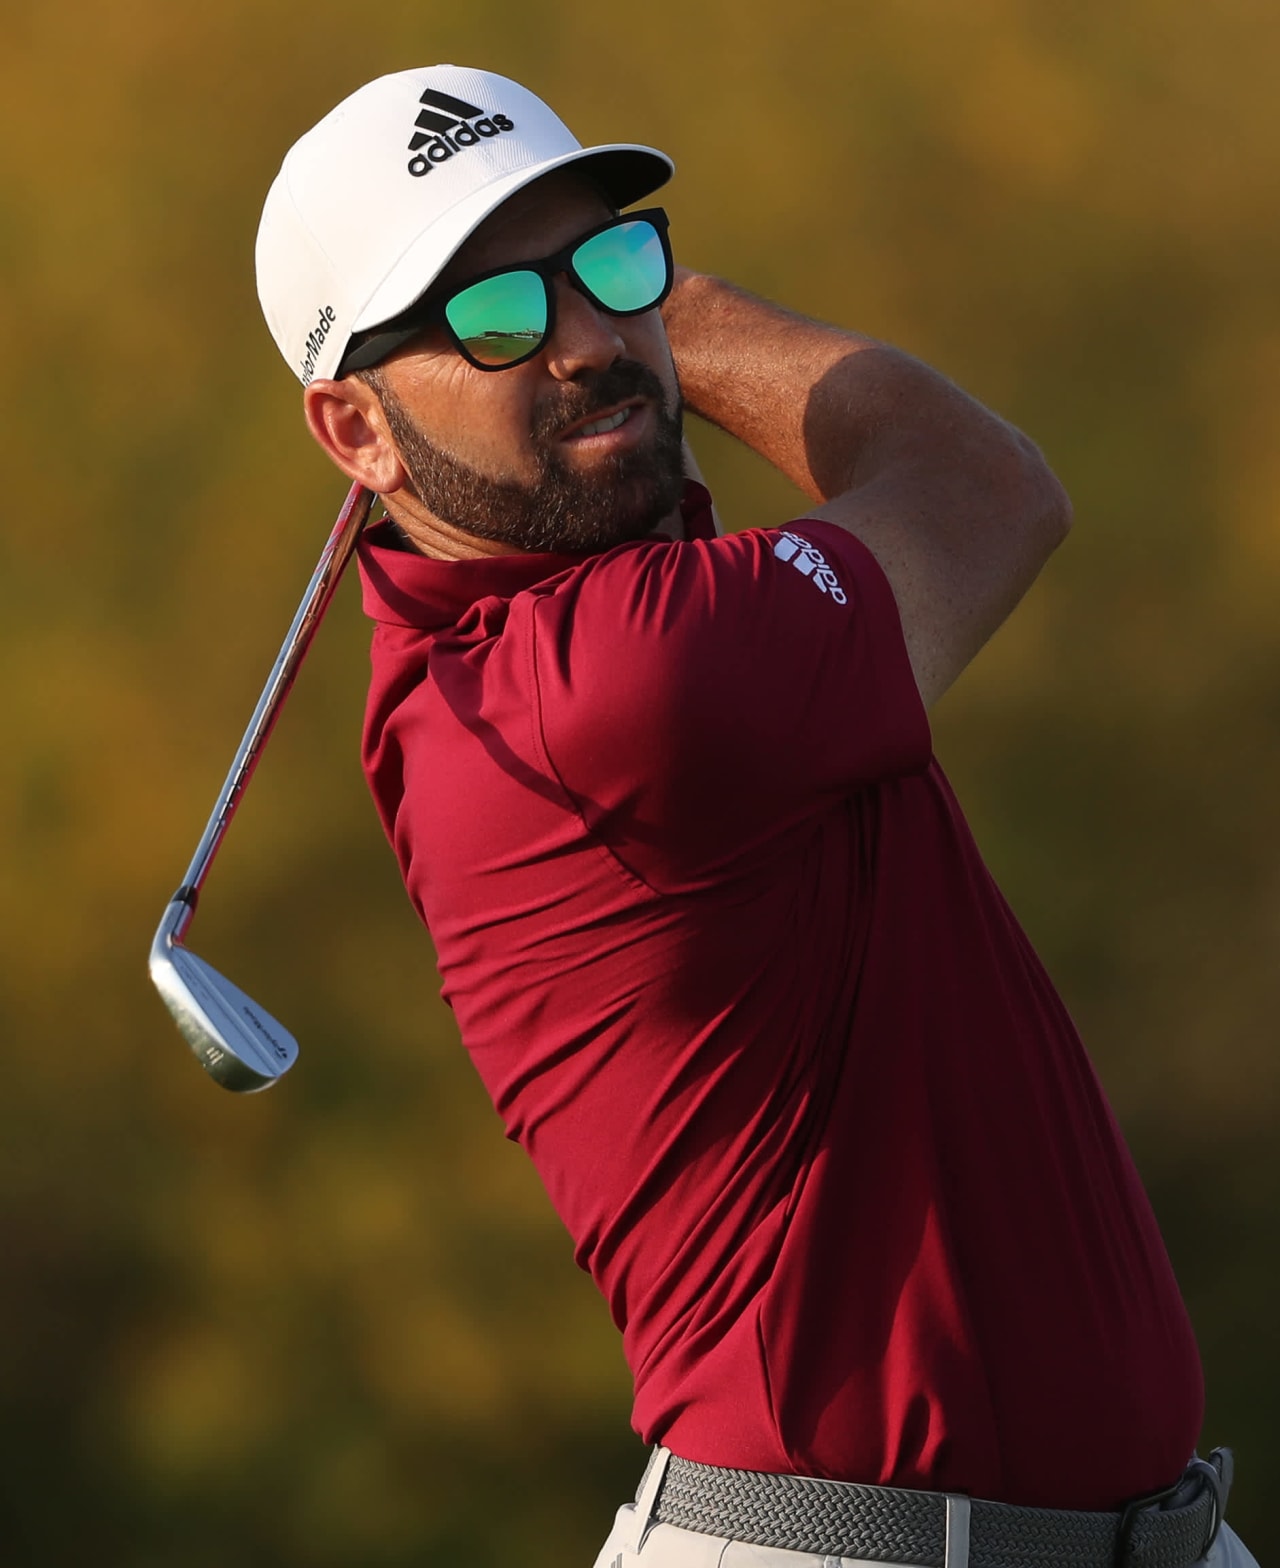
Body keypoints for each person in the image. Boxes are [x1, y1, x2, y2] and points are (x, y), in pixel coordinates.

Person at [255, 65, 1254, 1568]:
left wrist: (588, 350)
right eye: (496, 316)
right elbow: (983, 488)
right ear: (355, 434)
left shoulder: (552, 639)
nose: (588, 337)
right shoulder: (616, 683)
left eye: (610, 260)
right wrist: (692, 323)